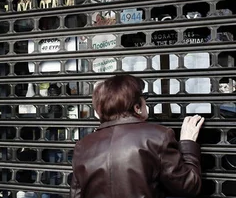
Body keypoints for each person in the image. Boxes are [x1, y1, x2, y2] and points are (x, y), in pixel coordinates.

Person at [70, 75, 204, 198]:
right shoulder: (158, 137)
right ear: (137, 107)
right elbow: (189, 186)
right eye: (144, 98)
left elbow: (76, 195)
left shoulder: (83, 146)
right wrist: (188, 143)